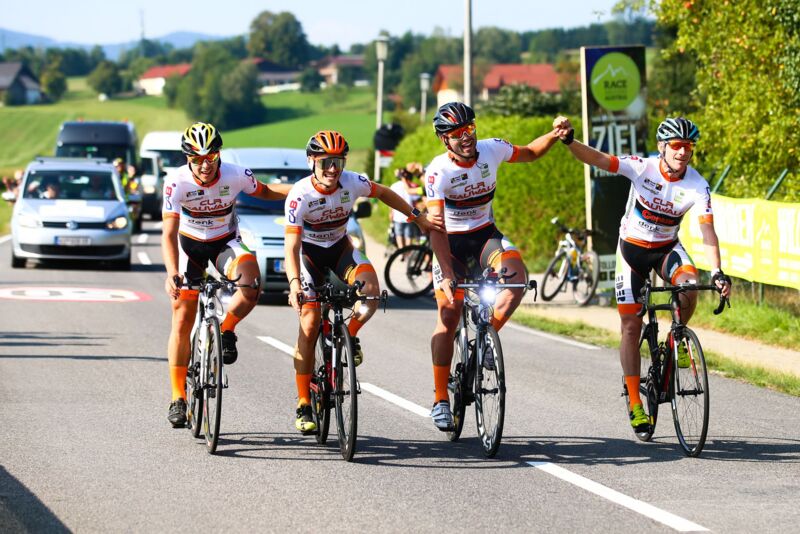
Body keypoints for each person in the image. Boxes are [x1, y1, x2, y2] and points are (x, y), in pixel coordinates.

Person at [552, 115, 733, 434]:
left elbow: (708, 231)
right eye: (676, 145)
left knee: (690, 286)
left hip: (666, 248)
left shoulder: (697, 184)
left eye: (688, 146)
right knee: (630, 325)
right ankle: (635, 401)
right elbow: (598, 158)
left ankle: (677, 337)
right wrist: (568, 141)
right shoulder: (642, 167)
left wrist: (717, 271)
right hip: (632, 251)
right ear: (662, 146)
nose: (683, 152)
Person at [284, 130, 444, 433]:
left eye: (339, 162)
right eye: (326, 162)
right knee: (310, 323)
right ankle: (304, 402)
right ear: (312, 162)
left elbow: (384, 193)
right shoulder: (300, 195)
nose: (333, 169)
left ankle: (350, 334)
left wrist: (417, 216)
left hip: (341, 250)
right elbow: (291, 247)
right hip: (309, 257)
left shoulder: (352, 182)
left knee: (371, 294)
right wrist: (294, 284)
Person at [424, 102, 562, 430]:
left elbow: (530, 152)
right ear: (444, 140)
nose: (466, 137)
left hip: (485, 236)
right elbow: (436, 228)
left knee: (516, 280)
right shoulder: (437, 172)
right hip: (450, 243)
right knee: (449, 315)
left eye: (469, 129)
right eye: (457, 133)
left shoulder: (492, 149)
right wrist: (446, 274)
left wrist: (554, 135)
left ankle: (487, 337)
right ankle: (440, 399)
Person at [162, 122, 293, 428]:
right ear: (187, 158)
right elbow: (168, 233)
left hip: (225, 242)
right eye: (196, 159)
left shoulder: (236, 174)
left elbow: (266, 190)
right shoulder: (176, 182)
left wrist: (305, 188)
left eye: (210, 157)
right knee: (182, 316)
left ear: (219, 154)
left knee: (251, 285)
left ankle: (226, 330)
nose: (204, 165)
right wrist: (171, 272)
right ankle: (178, 397)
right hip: (189, 246)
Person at [389, 164, 424, 249]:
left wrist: (391, 212)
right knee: (409, 236)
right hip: (410, 215)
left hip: (397, 215)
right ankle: (408, 253)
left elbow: (390, 201)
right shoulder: (414, 186)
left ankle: (401, 252)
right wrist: (416, 214)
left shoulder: (394, 186)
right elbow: (418, 203)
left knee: (399, 235)